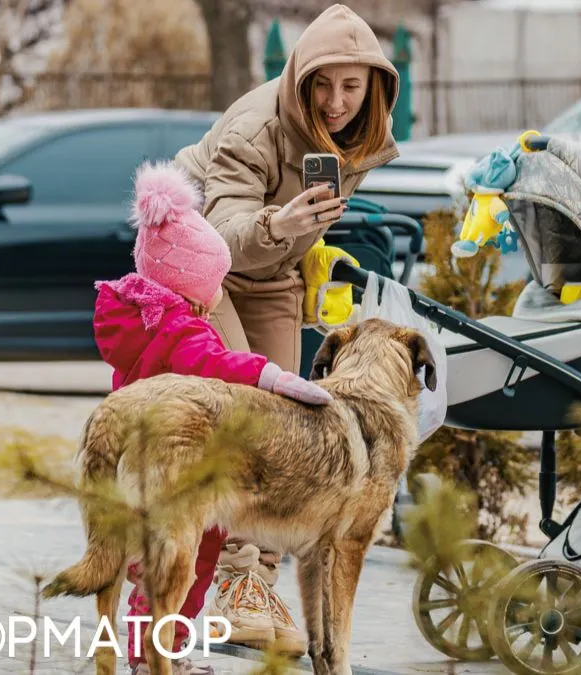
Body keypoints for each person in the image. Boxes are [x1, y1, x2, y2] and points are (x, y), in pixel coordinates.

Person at [170, 3, 401, 658]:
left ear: (374, 88)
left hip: (270, 269)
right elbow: (219, 232)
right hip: (199, 258)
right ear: (300, 78)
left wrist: (308, 252)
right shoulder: (253, 128)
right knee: (244, 413)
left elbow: (303, 220)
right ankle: (235, 584)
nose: (334, 102)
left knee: (291, 425)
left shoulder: (355, 139)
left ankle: (258, 581)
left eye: (351, 87)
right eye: (322, 85)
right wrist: (280, 226)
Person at [92, 161, 332, 675]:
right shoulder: (180, 328)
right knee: (191, 561)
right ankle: (157, 657)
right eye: (214, 282)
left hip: (140, 456)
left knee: (152, 561)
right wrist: (276, 377)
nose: (218, 293)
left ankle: (147, 654)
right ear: (190, 280)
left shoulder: (137, 313)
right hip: (182, 460)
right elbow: (220, 365)